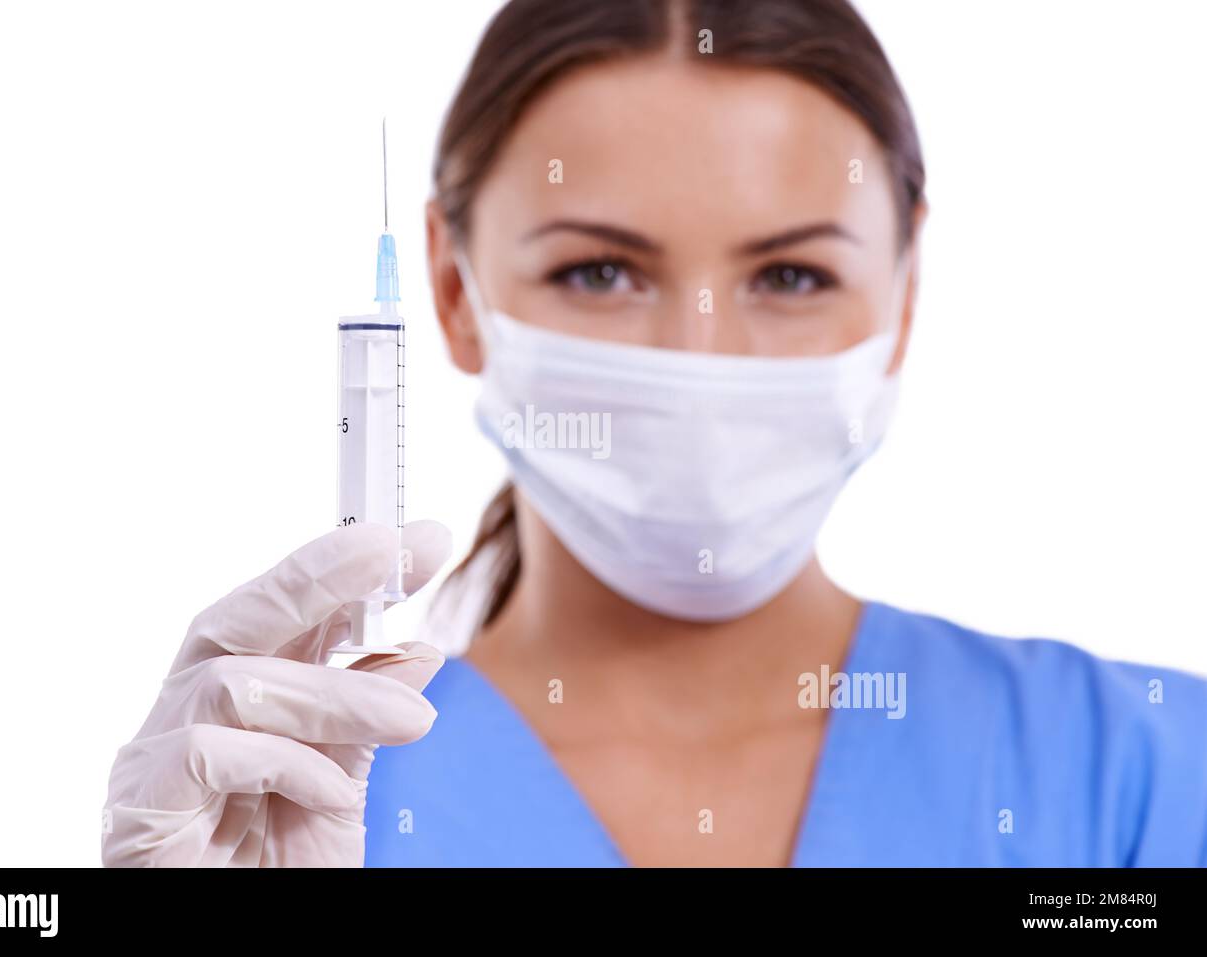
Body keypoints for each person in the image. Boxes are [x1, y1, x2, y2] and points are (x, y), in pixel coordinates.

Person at [103, 0, 1207, 868]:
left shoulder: (1145, 778)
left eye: (789, 274)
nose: (700, 358)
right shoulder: (297, 797)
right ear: (449, 286)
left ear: (904, 291)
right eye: (600, 271)